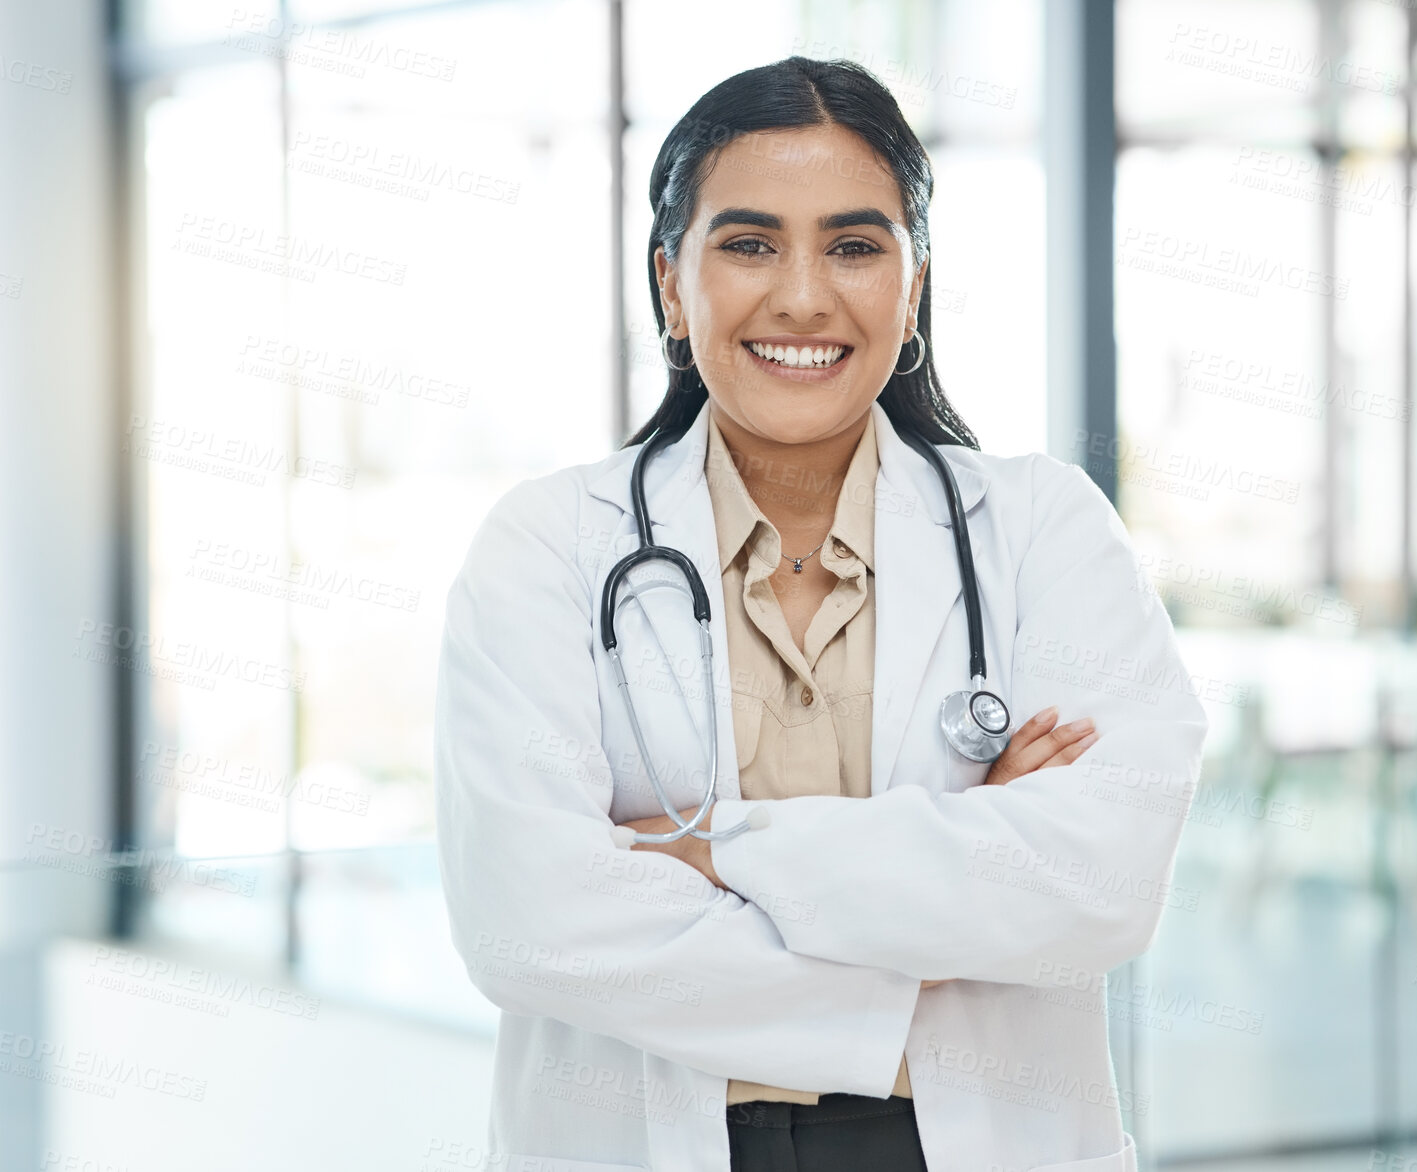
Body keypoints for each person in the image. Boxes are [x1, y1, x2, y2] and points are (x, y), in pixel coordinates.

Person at [434, 55, 1209, 1172]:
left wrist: (708, 848)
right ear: (670, 282)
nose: (802, 294)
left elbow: (1102, 878)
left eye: (854, 244)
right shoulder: (549, 547)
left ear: (914, 282)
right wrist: (941, 915)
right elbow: (532, 921)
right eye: (749, 244)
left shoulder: (1042, 527)